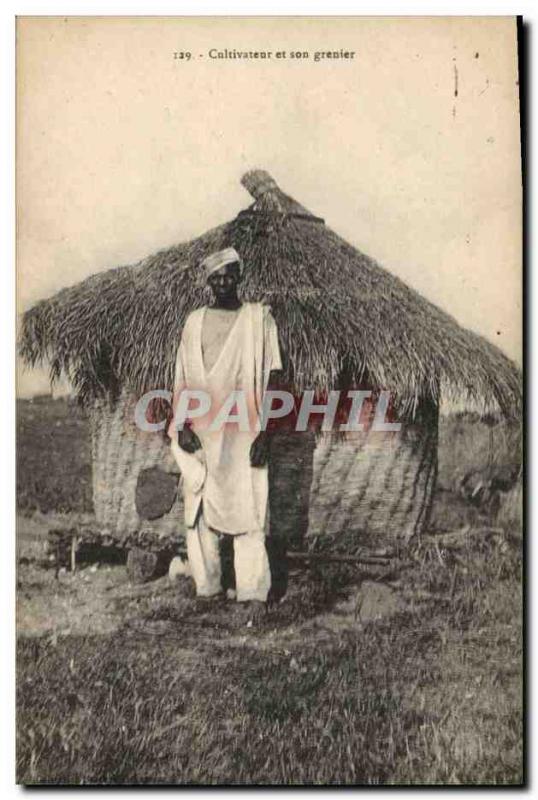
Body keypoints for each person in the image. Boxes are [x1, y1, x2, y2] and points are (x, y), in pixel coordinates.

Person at [167, 247, 282, 623]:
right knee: (198, 509)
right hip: (201, 429)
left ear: (239, 275)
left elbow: (275, 376)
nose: (222, 282)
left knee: (248, 505)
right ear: (208, 281)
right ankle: (208, 586)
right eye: (215, 276)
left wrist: (266, 431)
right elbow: (182, 378)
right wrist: (182, 424)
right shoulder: (193, 322)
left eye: (229, 274)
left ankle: (251, 591)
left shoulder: (258, 319)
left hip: (244, 431)